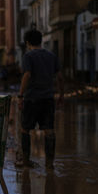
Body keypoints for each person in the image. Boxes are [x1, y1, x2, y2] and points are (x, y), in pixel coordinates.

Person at [18, 29, 64, 169]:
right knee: (49, 130)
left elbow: (27, 75)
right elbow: (59, 76)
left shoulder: (28, 56)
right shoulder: (51, 56)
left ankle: (26, 161)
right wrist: (61, 93)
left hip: (32, 99)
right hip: (48, 99)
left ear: (27, 43)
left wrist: (20, 95)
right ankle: (49, 164)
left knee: (25, 129)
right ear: (41, 40)